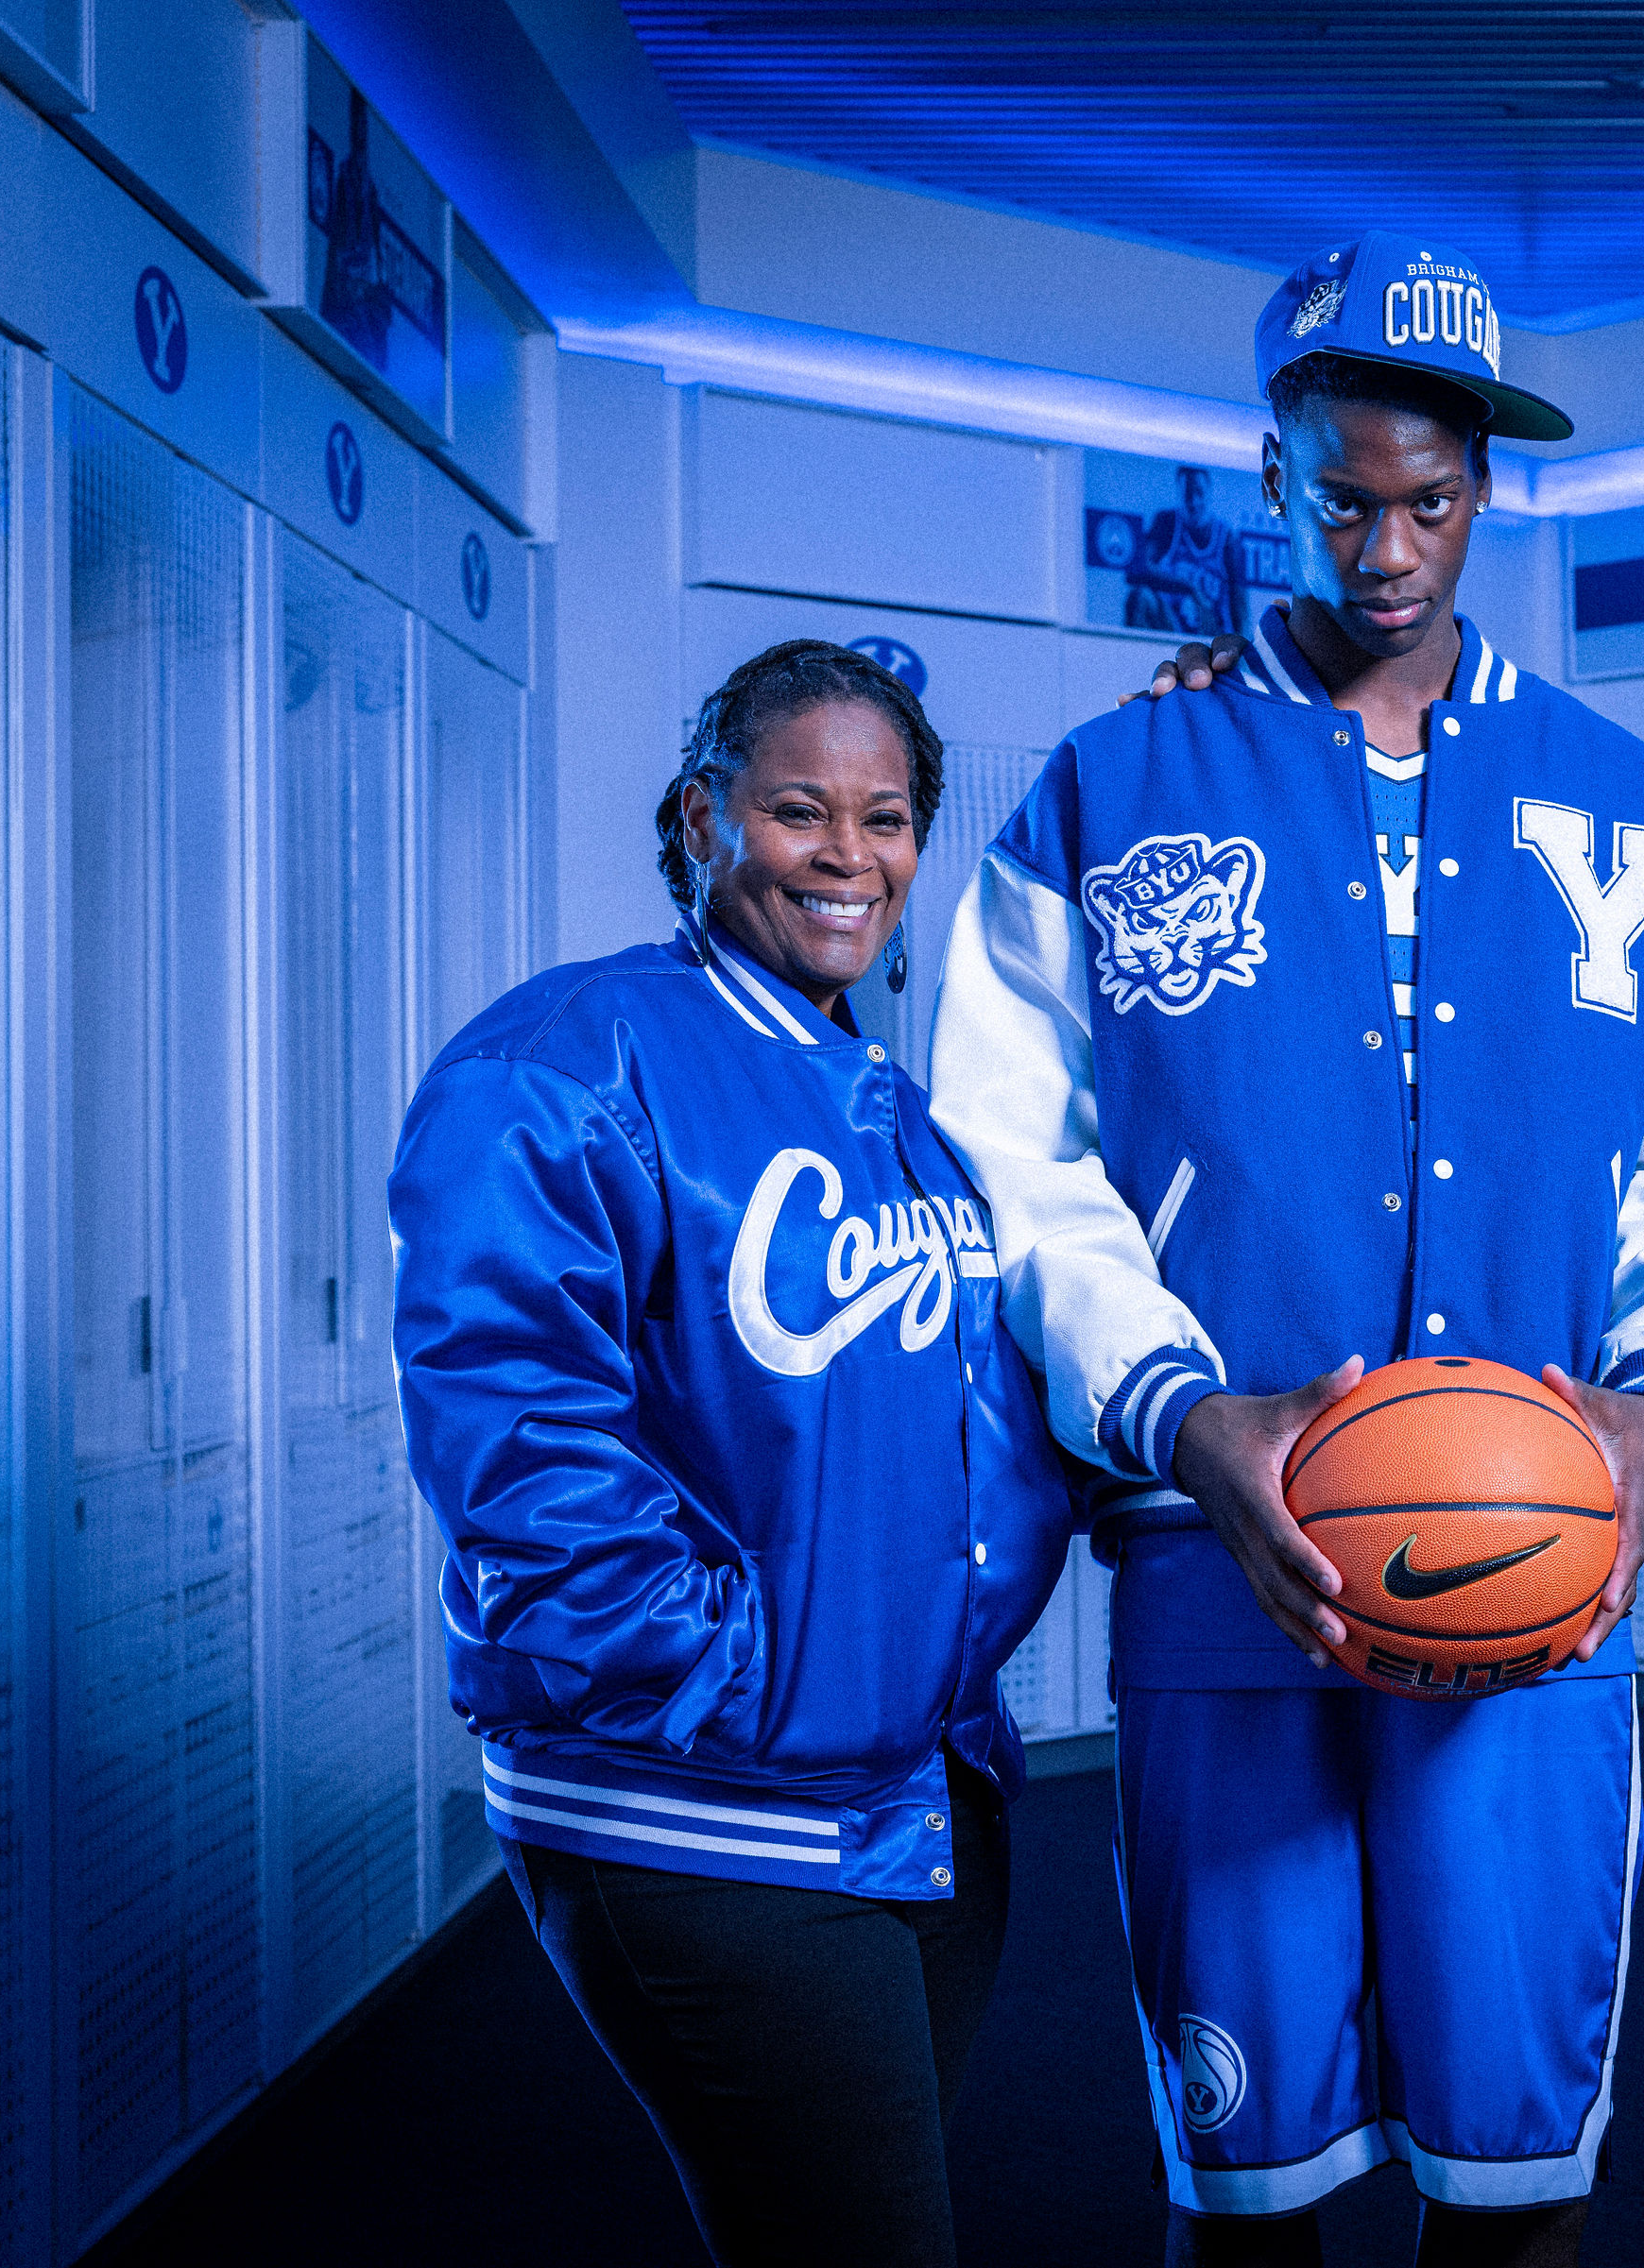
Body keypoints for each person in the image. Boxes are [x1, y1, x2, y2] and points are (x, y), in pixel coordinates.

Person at [930, 230, 1644, 2268]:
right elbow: (1011, 1171)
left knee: (1513, 2188)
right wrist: (1179, 1410)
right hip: (1223, 1575)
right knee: (1252, 2197)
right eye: (1341, 495)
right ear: (1267, 476)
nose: (1386, 544)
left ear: (1485, 487)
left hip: (1537, 1584)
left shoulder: (1625, 800)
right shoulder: (1106, 786)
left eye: (1428, 498)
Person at [388, 640, 1075, 2268]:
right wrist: (746, 1681)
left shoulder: (889, 1097)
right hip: (707, 1806)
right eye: (797, 810)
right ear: (704, 819)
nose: (850, 854)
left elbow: (978, 1420)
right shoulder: (557, 1065)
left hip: (918, 1786)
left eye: (889, 816)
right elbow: (524, 1457)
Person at [1124, 463, 1253, 635]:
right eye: (1187, 494)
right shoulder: (1167, 522)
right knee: (1140, 597)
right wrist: (1190, 588)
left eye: (1199, 492)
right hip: (1170, 628)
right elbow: (1138, 569)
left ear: (1209, 493)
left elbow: (1240, 603)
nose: (1194, 502)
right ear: (1179, 494)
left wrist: (1243, 653)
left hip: (1209, 641)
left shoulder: (1227, 537)